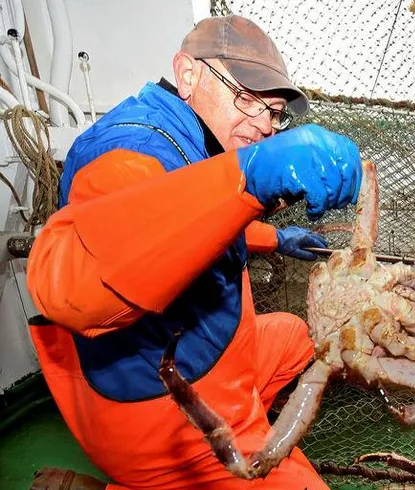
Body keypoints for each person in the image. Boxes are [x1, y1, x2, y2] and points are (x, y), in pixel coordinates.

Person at [25, 15, 361, 490]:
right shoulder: (130, 150)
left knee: (296, 337)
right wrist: (249, 178)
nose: (264, 125)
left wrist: (275, 238)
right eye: (246, 97)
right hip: (160, 410)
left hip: (211, 352)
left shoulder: (199, 137)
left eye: (275, 112)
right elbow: (80, 288)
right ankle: (186, 472)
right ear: (187, 73)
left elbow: (189, 225)